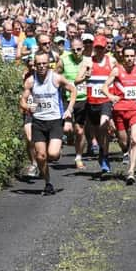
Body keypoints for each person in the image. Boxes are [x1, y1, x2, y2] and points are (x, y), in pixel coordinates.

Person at [20, 51, 77, 195]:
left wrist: (69, 109)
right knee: (40, 156)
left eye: (44, 63)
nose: (41, 66)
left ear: (49, 64)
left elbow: (73, 89)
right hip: (38, 121)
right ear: (34, 65)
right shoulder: (31, 81)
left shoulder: (56, 78)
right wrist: (27, 107)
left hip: (55, 121)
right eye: (38, 64)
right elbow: (22, 101)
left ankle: (58, 148)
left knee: (52, 154)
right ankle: (48, 183)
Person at [102, 45, 136, 184]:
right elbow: (104, 87)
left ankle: (131, 171)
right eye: (126, 56)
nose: (129, 59)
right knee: (123, 141)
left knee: (134, 139)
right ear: (122, 56)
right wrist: (110, 96)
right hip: (120, 110)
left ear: (135, 56)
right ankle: (125, 152)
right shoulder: (116, 70)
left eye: (131, 56)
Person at [77, 35, 117, 176]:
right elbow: (76, 81)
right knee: (98, 132)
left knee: (103, 125)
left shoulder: (111, 61)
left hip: (105, 101)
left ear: (105, 48)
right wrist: (85, 77)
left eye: (101, 48)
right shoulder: (87, 62)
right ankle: (102, 150)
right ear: (94, 48)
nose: (99, 50)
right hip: (92, 103)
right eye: (97, 48)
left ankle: (105, 156)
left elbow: (118, 77)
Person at [58, 37, 89, 169]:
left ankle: (78, 157)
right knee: (67, 128)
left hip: (83, 99)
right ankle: (69, 137)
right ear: (70, 49)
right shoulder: (64, 60)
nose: (76, 52)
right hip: (67, 98)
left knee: (80, 131)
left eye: (79, 49)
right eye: (73, 49)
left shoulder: (88, 61)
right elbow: (55, 76)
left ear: (83, 48)